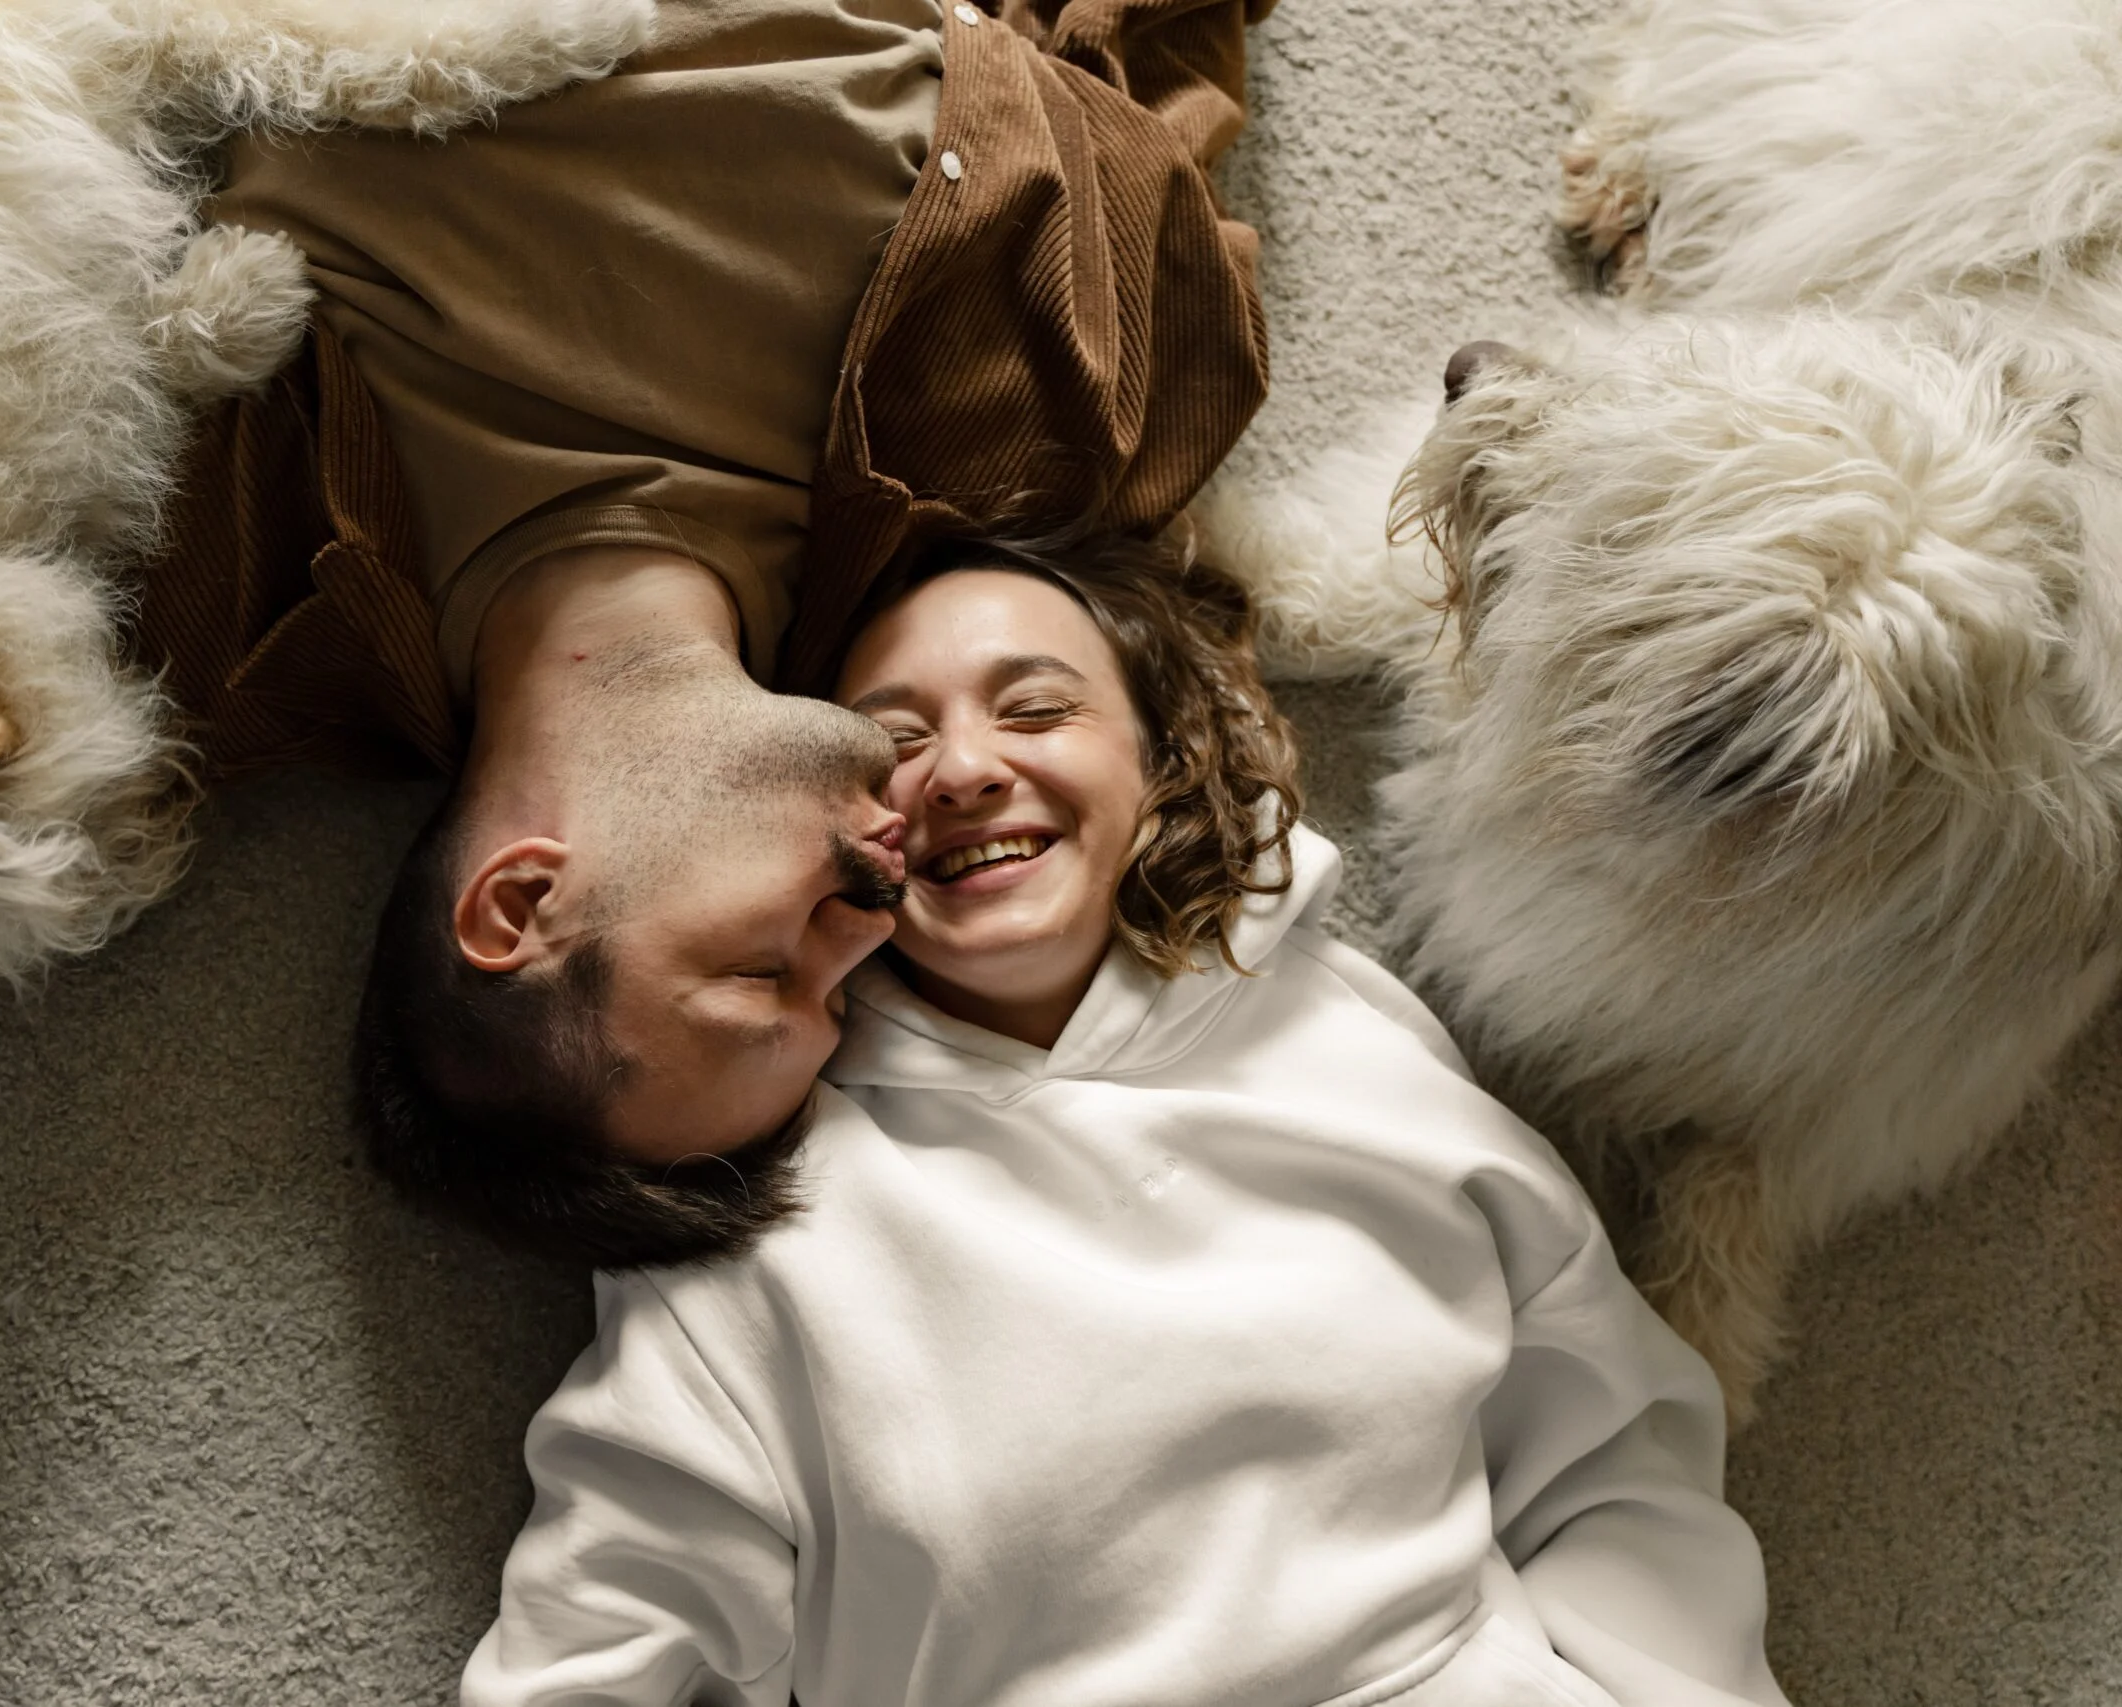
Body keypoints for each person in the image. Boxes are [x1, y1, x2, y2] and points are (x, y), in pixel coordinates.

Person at [459, 543, 1794, 1707]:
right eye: (895, 742)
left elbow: (1613, 1447)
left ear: (1155, 763)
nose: (968, 768)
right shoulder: (762, 1195)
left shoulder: (1345, 1041)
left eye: (1036, 707)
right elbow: (602, 1622)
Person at [127, 0, 1277, 1248]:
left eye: (762, 975)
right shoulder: (1048, 448)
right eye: (839, 994)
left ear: (520, 903)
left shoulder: (198, 586)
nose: (868, 931)